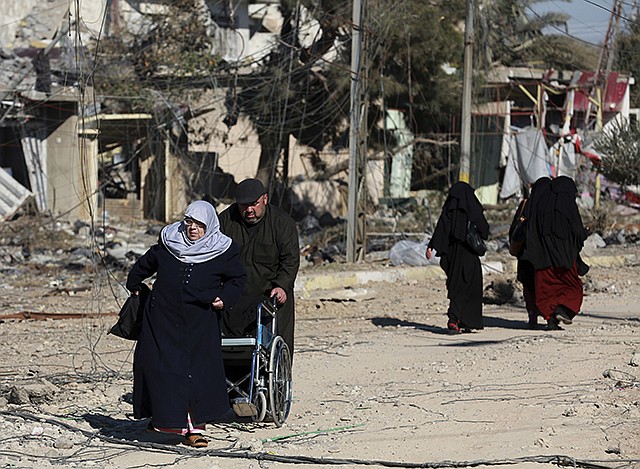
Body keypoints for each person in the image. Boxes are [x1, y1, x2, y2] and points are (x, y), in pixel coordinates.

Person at [126, 201, 246, 447]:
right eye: (189, 222)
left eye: (200, 225)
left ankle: (194, 429)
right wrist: (135, 286)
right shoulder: (170, 242)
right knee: (160, 369)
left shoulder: (222, 250)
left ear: (209, 226)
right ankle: (163, 419)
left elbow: (238, 279)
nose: (193, 229)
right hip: (162, 319)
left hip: (199, 322)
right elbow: (143, 266)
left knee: (195, 374)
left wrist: (224, 299)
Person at [219, 178, 300, 356]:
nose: (249, 210)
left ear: (265, 199)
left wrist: (282, 285)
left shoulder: (282, 223)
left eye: (254, 204)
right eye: (243, 205)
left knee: (273, 352)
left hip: (270, 299)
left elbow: (290, 260)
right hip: (235, 299)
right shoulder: (225, 222)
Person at [519, 176, 588, 330]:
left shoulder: (540, 207)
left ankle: (551, 320)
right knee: (573, 288)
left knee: (546, 291)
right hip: (565, 260)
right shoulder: (568, 206)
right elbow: (577, 232)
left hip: (542, 260)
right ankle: (561, 310)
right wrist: (584, 235)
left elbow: (532, 232)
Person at [426, 181, 490, 333]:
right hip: (468, 255)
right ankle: (456, 319)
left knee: (456, 286)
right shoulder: (473, 209)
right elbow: (485, 231)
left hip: (452, 255)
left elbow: (441, 230)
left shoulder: (448, 210)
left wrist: (432, 246)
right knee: (468, 286)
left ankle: (460, 320)